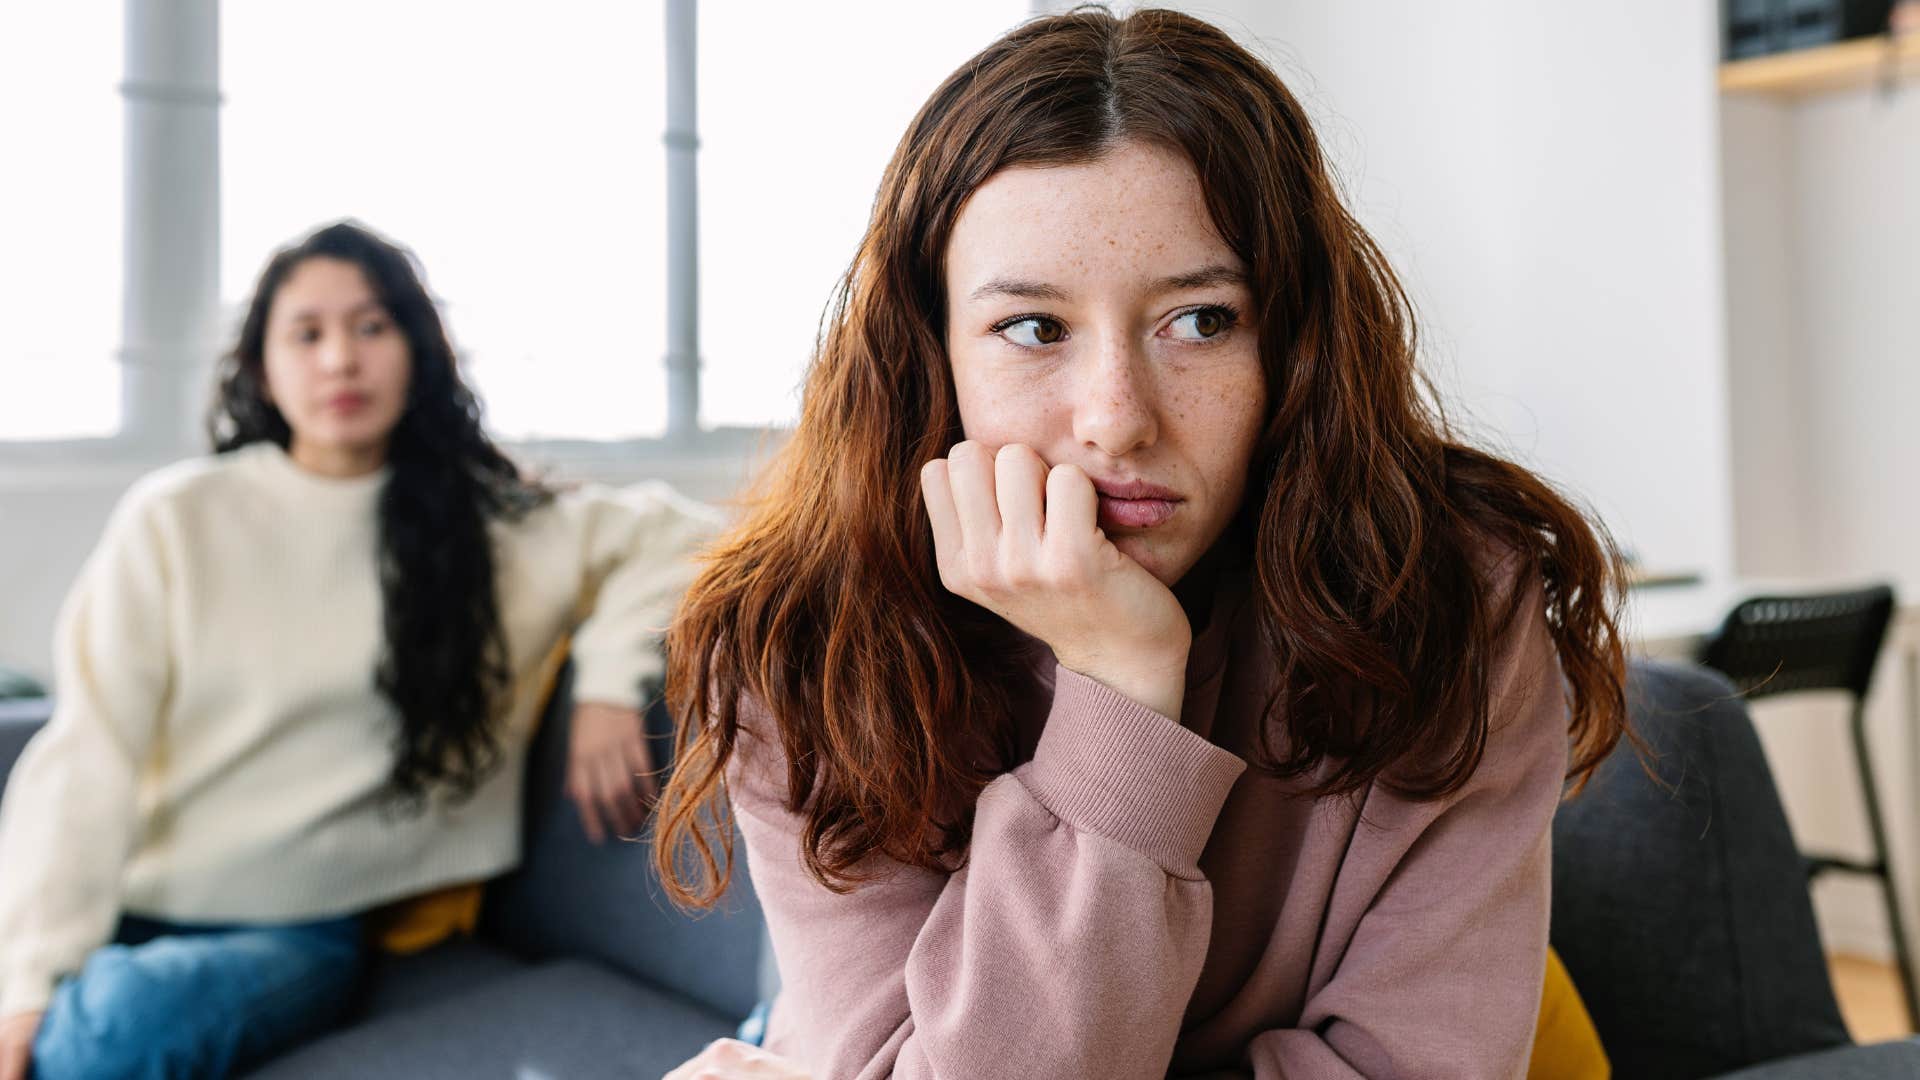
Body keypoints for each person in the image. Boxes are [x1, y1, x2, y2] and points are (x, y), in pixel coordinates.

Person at [654, 8, 1630, 1079]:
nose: (1117, 418)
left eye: (1201, 320)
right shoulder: (798, 639)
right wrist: (1120, 685)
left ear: (1292, 344)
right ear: (931, 359)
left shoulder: (1453, 596)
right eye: (1033, 328)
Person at [0, 221, 716, 1079]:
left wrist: (608, 682)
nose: (341, 359)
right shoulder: (177, 519)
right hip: (134, 897)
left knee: (98, 1044)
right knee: (44, 1022)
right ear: (263, 365)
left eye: (371, 326)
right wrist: (32, 975)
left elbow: (687, 536)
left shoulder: (492, 527)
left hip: (297, 928)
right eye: (307, 333)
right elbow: (87, 754)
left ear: (417, 349)